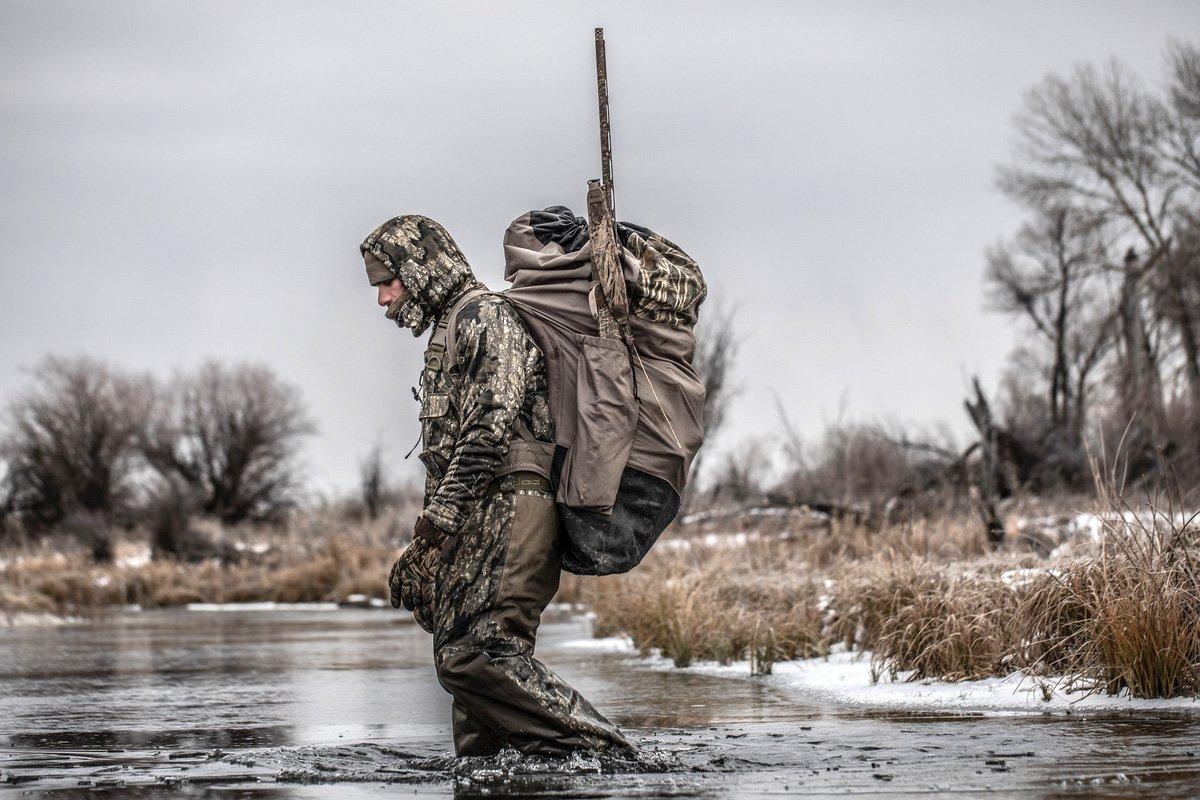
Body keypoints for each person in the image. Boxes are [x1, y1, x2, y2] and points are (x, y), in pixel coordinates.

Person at [359, 214, 632, 758]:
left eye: (387, 281)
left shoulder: (486, 317)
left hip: (513, 506)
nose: (384, 299)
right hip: (480, 512)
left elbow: (489, 427)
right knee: (468, 671)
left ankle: (606, 756)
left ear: (421, 269)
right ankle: (492, 775)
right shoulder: (451, 331)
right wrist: (439, 537)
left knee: (475, 655)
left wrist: (437, 525)